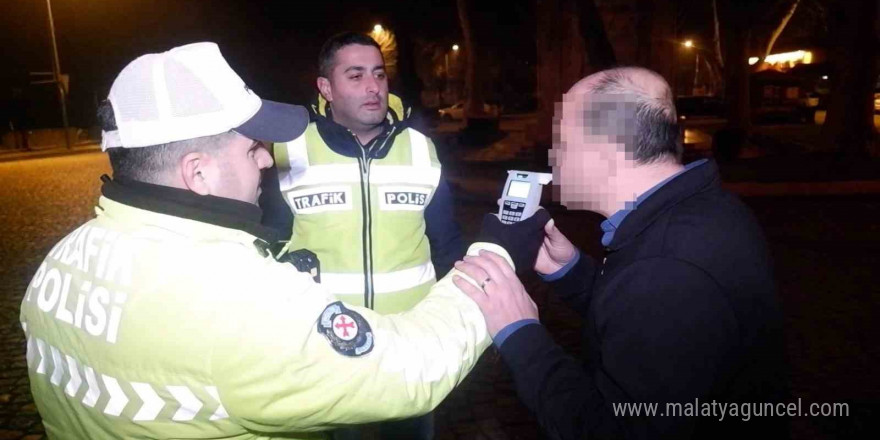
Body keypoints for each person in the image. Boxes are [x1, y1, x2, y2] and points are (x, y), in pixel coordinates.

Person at [19, 42, 509, 440]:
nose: (264, 162)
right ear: (198, 172)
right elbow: (410, 372)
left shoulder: (59, 262)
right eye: (251, 148)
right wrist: (496, 252)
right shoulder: (241, 301)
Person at [453, 67, 788, 439]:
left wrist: (519, 330)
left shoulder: (666, 267)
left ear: (606, 150)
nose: (552, 155)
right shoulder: (701, 208)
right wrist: (571, 271)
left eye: (561, 141)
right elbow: (645, 319)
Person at [262, 32, 464, 439]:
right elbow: (268, 248)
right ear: (326, 88)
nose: (373, 87)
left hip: (409, 349)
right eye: (355, 76)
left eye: (378, 74)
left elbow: (447, 246)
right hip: (325, 353)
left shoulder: (421, 149)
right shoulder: (288, 151)